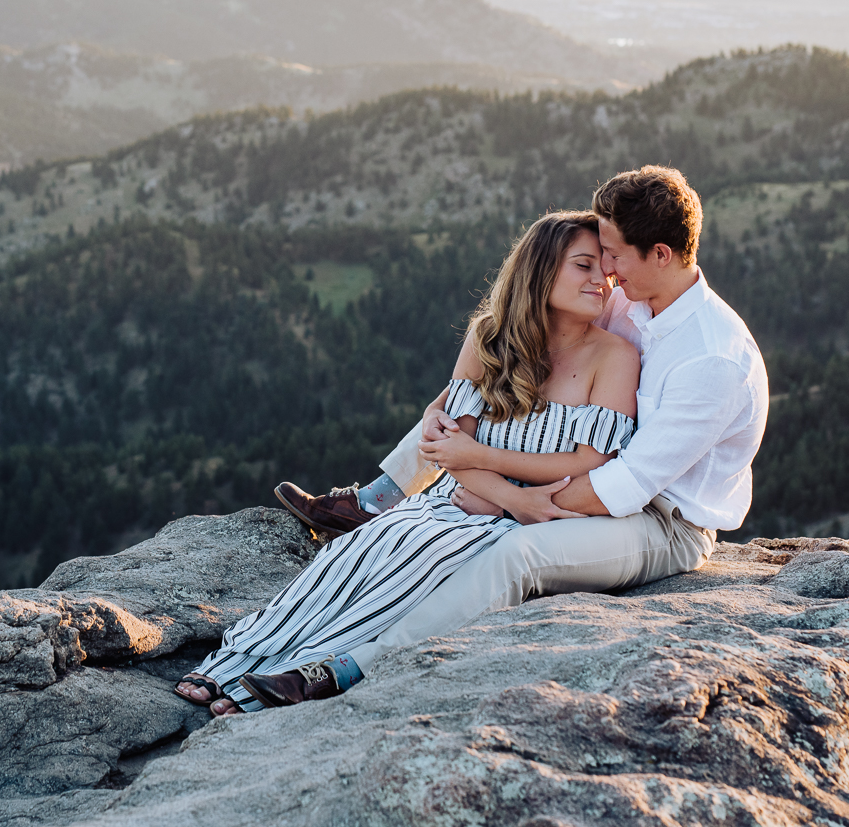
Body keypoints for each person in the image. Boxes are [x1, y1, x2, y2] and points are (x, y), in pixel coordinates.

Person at [210, 165, 768, 714]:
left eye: (615, 254)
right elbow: (530, 326)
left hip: (660, 520)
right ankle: (374, 503)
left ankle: (352, 666)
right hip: (576, 473)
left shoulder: (710, 358)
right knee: (477, 395)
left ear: (661, 255)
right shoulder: (633, 296)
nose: (607, 270)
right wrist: (441, 411)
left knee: (516, 553)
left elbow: (623, 483)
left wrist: (502, 498)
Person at [174, 208, 641, 715]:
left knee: (426, 561)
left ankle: (292, 676)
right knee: (357, 551)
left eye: (606, 270)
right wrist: (505, 495)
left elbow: (589, 463)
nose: (603, 281)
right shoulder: (489, 337)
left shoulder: (614, 356)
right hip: (469, 495)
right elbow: (447, 449)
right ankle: (236, 658)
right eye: (584, 266)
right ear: (542, 269)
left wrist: (505, 503)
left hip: (519, 518)